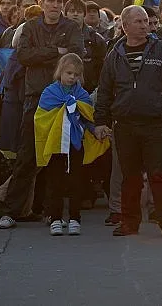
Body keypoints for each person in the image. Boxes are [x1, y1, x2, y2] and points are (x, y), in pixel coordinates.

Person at [0, 0, 83, 230]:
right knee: (27, 156)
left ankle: (53, 211)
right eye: (51, 1)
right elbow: (23, 56)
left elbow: (76, 54)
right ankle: (11, 211)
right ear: (43, 3)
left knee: (61, 157)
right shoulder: (31, 27)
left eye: (58, 1)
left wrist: (45, 55)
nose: (55, 5)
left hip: (64, 99)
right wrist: (55, 52)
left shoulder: (71, 28)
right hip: (36, 99)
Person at [95, 5, 162, 238]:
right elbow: (104, 91)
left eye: (146, 21)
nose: (145, 25)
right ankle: (129, 222)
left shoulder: (161, 50)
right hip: (124, 125)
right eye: (138, 22)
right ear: (124, 26)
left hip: (155, 124)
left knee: (159, 175)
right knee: (130, 178)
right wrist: (101, 121)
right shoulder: (114, 54)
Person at [34, 54, 109, 236]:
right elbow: (41, 118)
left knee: (77, 182)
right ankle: (55, 218)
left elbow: (87, 118)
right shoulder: (49, 93)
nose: (72, 77)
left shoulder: (82, 94)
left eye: (76, 74)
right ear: (60, 72)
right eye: (68, 73)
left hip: (76, 145)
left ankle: (75, 218)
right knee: (54, 183)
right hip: (55, 145)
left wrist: (95, 130)